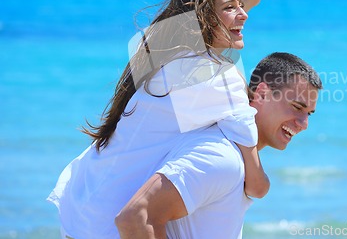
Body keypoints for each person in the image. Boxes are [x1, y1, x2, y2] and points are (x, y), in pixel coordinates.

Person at [47, 0, 301, 238]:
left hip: (83, 197)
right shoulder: (213, 79)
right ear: (202, 19)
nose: (244, 13)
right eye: (231, 8)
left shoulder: (162, 48)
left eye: (240, 5)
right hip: (108, 223)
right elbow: (256, 183)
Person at [116, 52, 322, 239]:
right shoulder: (222, 157)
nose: (304, 124)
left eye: (309, 114)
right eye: (297, 107)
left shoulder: (234, 155)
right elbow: (136, 217)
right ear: (262, 94)